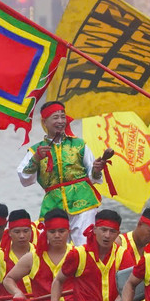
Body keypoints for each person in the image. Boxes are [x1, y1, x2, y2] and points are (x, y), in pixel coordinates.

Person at [16, 102, 111, 242]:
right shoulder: (36, 150)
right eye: (55, 117)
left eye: (62, 117)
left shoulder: (79, 144)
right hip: (53, 204)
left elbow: (93, 177)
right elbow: (25, 179)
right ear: (45, 122)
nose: (60, 121)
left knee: (84, 245)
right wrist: (36, 158)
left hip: (83, 201)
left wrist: (96, 169)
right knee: (53, 247)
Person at [41, 209, 127, 301]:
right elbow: (58, 281)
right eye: (104, 230)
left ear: (118, 233)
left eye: (112, 231)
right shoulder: (78, 254)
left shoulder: (123, 254)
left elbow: (128, 287)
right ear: (95, 229)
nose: (107, 235)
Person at [3, 209, 72, 301]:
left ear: (69, 231)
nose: (57, 235)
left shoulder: (78, 254)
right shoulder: (32, 258)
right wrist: (17, 292)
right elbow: (8, 279)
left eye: (61, 231)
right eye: (52, 232)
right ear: (45, 232)